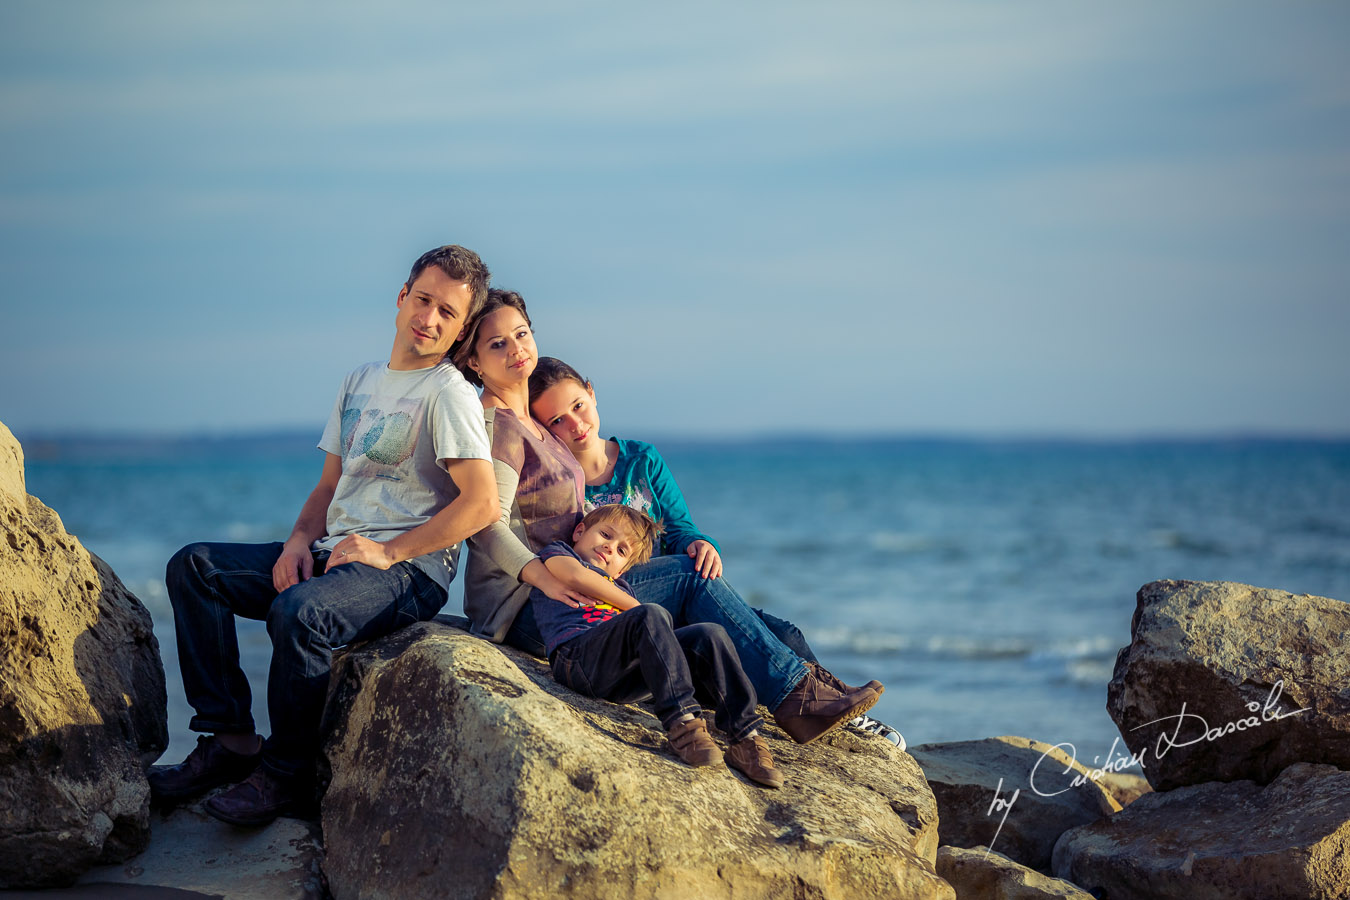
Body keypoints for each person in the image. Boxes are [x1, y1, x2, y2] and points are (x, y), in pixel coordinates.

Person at [148, 245, 499, 826]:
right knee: (195, 568)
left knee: (300, 613)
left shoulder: (448, 393)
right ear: (401, 298)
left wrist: (389, 551)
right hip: (335, 551)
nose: (430, 318)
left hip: (410, 571)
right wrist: (294, 544)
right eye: (424, 299)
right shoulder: (359, 381)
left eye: (448, 313)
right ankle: (231, 739)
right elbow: (328, 485)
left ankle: (287, 776)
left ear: (460, 331)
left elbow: (482, 502)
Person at [452, 289, 879, 747]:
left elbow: (667, 523)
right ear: (474, 361)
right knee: (691, 580)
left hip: (570, 585)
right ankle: (796, 699)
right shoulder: (501, 426)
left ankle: (818, 704)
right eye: (497, 344)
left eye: (521, 334)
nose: (516, 349)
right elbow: (484, 519)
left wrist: (693, 539)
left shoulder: (531, 422)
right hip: (531, 605)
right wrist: (541, 575)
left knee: (755, 620)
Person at [529, 356, 905, 748]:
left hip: (659, 596)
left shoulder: (641, 459)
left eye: (578, 406)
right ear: (542, 427)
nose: (575, 424)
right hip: (603, 607)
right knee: (692, 577)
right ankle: (800, 699)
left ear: (591, 393)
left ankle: (844, 715)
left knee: (781, 630)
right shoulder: (558, 479)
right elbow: (563, 558)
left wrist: (701, 543)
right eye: (557, 420)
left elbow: (679, 530)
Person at [532, 504, 784, 788]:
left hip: (623, 677)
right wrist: (640, 610)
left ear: (624, 569)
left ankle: (746, 738)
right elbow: (574, 576)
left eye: (622, 551)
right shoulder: (559, 553)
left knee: (709, 634)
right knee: (650, 614)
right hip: (577, 659)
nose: (610, 548)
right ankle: (684, 724)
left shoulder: (622, 589)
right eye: (605, 534)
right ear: (579, 531)